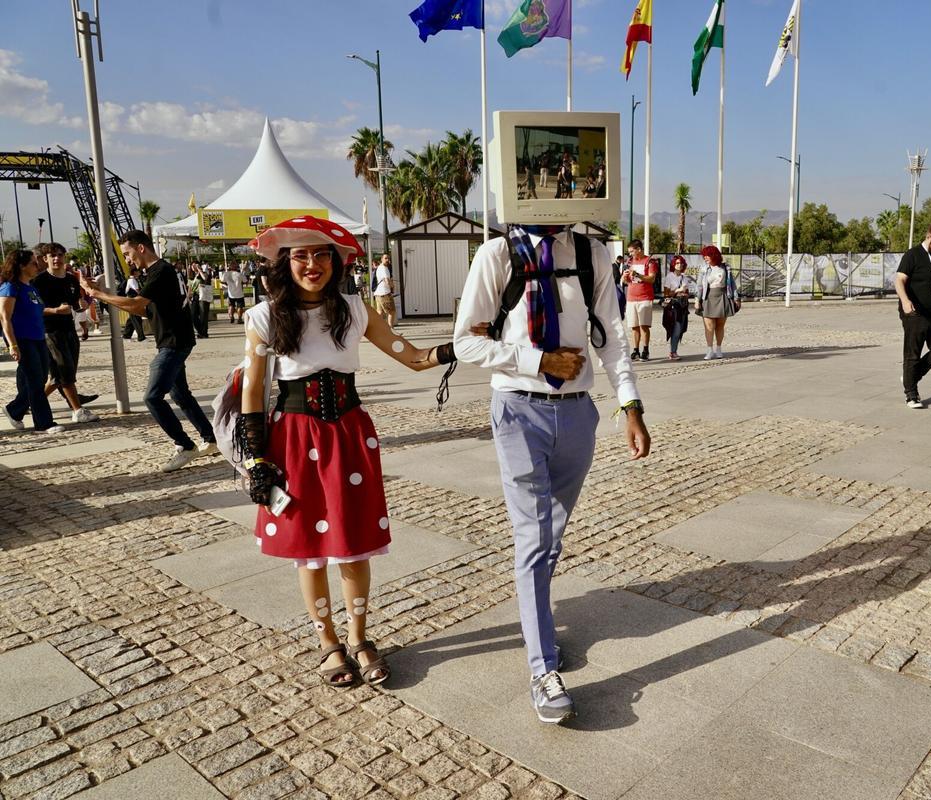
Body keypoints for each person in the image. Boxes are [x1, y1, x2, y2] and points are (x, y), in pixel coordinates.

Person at [237, 216, 458, 688]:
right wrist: (256, 457)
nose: (312, 264)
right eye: (300, 255)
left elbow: (413, 357)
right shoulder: (262, 317)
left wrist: (460, 345)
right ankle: (328, 643)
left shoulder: (357, 310)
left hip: (349, 437)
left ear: (336, 262)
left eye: (321, 255)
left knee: (354, 545)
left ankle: (359, 638)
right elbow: (253, 391)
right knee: (311, 551)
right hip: (293, 438)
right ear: (285, 263)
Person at [453, 224, 650, 724]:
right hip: (518, 410)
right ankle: (543, 669)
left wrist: (629, 404)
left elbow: (611, 334)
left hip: (578, 414)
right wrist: (539, 360)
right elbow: (466, 344)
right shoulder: (497, 254)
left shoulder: (591, 253)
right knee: (534, 537)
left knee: (551, 534)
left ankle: (538, 622)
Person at [83, 230, 218, 471]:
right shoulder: (158, 272)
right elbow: (144, 311)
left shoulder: (161, 271)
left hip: (173, 343)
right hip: (174, 339)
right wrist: (105, 296)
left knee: (152, 397)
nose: (127, 259)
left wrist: (99, 294)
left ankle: (185, 446)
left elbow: (136, 304)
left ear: (141, 248)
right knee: (180, 395)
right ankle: (210, 438)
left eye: (128, 253)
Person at [31, 243, 99, 424]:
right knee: (65, 371)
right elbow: (33, 309)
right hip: (50, 331)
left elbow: (75, 304)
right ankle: (78, 411)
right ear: (45, 259)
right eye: (52, 255)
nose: (56, 258)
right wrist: (55, 311)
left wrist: (82, 305)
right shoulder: (39, 282)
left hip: (69, 329)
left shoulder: (71, 279)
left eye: (60, 255)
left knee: (58, 376)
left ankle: (28, 403)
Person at [1, 250, 64, 434]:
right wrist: (12, 344)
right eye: (34, 263)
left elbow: (37, 311)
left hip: (38, 338)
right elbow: (5, 318)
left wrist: (57, 311)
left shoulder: (31, 287)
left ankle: (15, 409)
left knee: (39, 377)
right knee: (36, 381)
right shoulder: (11, 287)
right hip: (22, 339)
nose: (38, 266)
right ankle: (44, 422)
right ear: (22, 266)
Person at [895, 222, 931, 409]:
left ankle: (912, 375)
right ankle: (911, 394)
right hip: (915, 313)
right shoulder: (912, 255)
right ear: (929, 237)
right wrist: (905, 301)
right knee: (913, 353)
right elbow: (899, 280)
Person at [696, 245, 738, 360]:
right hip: (708, 297)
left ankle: (718, 348)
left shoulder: (725, 268)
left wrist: (736, 298)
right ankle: (709, 350)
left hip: (723, 296)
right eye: (704, 256)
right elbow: (699, 286)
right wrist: (697, 300)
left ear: (714, 255)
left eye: (707, 255)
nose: (705, 258)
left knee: (720, 325)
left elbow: (732, 284)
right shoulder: (704, 268)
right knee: (709, 326)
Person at [622, 239, 658, 361]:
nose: (630, 254)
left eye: (632, 251)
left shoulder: (650, 261)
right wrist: (625, 277)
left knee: (644, 325)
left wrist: (637, 275)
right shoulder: (630, 261)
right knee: (634, 326)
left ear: (639, 249)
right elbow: (627, 281)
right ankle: (635, 350)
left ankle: (645, 350)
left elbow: (651, 279)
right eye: (629, 252)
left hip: (645, 297)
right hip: (631, 297)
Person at [662, 255, 695, 360]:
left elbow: (686, 292)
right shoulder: (669, 276)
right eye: (677, 263)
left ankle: (674, 350)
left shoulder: (684, 277)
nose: (679, 265)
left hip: (682, 306)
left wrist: (684, 293)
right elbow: (666, 294)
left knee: (680, 329)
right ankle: (672, 352)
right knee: (675, 329)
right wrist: (678, 290)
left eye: (681, 263)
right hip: (673, 307)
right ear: (673, 264)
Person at [120, 267, 147, 341]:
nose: (139, 272)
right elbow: (138, 291)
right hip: (132, 302)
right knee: (136, 319)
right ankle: (141, 337)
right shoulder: (132, 280)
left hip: (132, 301)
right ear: (134, 272)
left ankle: (126, 335)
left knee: (131, 319)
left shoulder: (133, 280)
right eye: (138, 271)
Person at [372, 253, 396, 328]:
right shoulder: (384, 268)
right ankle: (391, 330)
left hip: (378, 294)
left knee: (380, 313)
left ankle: (376, 329)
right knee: (392, 312)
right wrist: (392, 287)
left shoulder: (380, 267)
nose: (387, 260)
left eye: (388, 258)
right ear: (381, 259)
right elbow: (387, 280)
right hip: (384, 293)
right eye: (385, 258)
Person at [189, 264, 213, 338]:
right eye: (192, 265)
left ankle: (203, 332)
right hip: (195, 296)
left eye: (196, 265)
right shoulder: (191, 276)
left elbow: (205, 278)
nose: (194, 267)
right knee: (193, 315)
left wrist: (200, 270)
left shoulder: (203, 273)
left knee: (203, 315)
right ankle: (200, 330)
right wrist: (188, 296)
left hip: (203, 295)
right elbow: (189, 287)